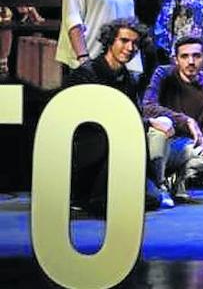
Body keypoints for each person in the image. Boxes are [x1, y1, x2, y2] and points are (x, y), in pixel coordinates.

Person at [64, 17, 161, 215]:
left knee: (153, 198)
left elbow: (133, 119)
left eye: (135, 43)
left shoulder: (130, 80)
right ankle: (94, 197)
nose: (130, 48)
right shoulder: (85, 75)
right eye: (124, 41)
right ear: (110, 41)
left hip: (121, 153)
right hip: (88, 151)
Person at [142, 36, 203, 202]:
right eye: (184, 56)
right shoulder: (163, 74)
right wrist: (186, 120)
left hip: (185, 145)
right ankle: (160, 184)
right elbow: (147, 106)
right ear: (176, 59)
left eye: (196, 56)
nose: (191, 61)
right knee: (163, 126)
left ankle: (176, 179)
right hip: (158, 143)